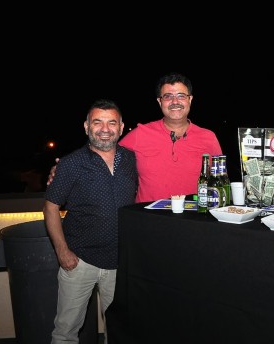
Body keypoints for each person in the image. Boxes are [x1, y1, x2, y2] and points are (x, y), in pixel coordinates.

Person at [43, 99, 138, 344]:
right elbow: (50, 207)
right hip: (79, 261)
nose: (105, 129)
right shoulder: (71, 164)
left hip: (119, 264)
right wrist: (62, 251)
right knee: (65, 332)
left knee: (118, 332)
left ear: (121, 127)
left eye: (112, 123)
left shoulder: (131, 160)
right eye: (97, 122)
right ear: (86, 127)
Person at [48, 72, 222, 203]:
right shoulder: (141, 134)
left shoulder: (208, 138)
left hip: (194, 222)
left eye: (181, 96)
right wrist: (66, 166)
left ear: (190, 100)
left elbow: (220, 181)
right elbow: (104, 148)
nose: (175, 102)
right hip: (147, 222)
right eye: (168, 96)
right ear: (159, 102)